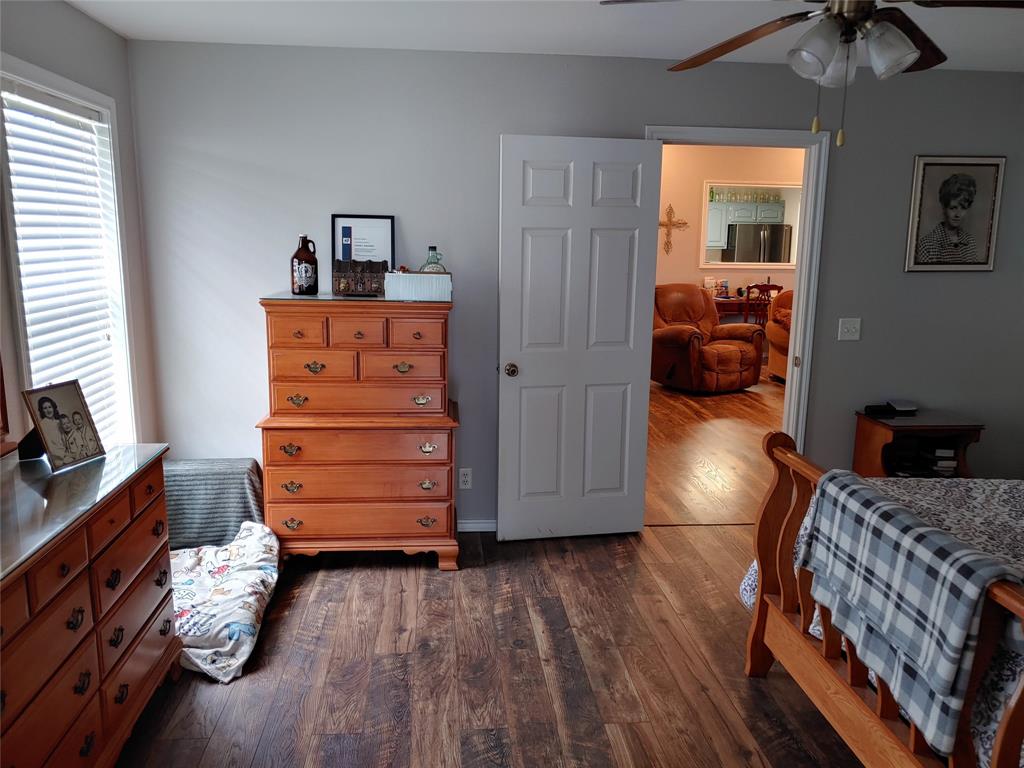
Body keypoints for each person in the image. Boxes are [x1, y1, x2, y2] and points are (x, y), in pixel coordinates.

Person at [915, 173, 980, 264]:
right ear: (944, 207)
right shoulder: (927, 245)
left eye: (963, 208)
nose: (958, 214)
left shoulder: (970, 242)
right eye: (953, 208)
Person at [36, 396, 69, 463]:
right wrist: (65, 455)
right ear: (42, 411)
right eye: (45, 408)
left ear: (53, 408)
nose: (48, 410)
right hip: (58, 459)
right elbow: (50, 447)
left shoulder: (58, 422)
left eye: (49, 407)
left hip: (67, 454)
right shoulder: (43, 425)